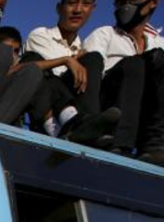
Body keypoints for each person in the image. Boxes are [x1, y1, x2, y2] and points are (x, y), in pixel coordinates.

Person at [83, 0, 164, 174]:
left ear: (152, 3)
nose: (124, 5)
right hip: (114, 110)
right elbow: (91, 75)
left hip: (147, 114)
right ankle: (137, 146)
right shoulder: (105, 34)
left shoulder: (160, 42)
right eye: (120, 1)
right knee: (138, 63)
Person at [23, 0, 120, 144]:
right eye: (71, 3)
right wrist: (68, 60)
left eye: (86, 4)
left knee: (94, 58)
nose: (78, 10)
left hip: (77, 108)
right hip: (49, 117)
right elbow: (51, 78)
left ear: (92, 9)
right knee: (39, 67)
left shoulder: (84, 49)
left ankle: (89, 125)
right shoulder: (41, 35)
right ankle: (78, 124)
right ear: (59, 8)